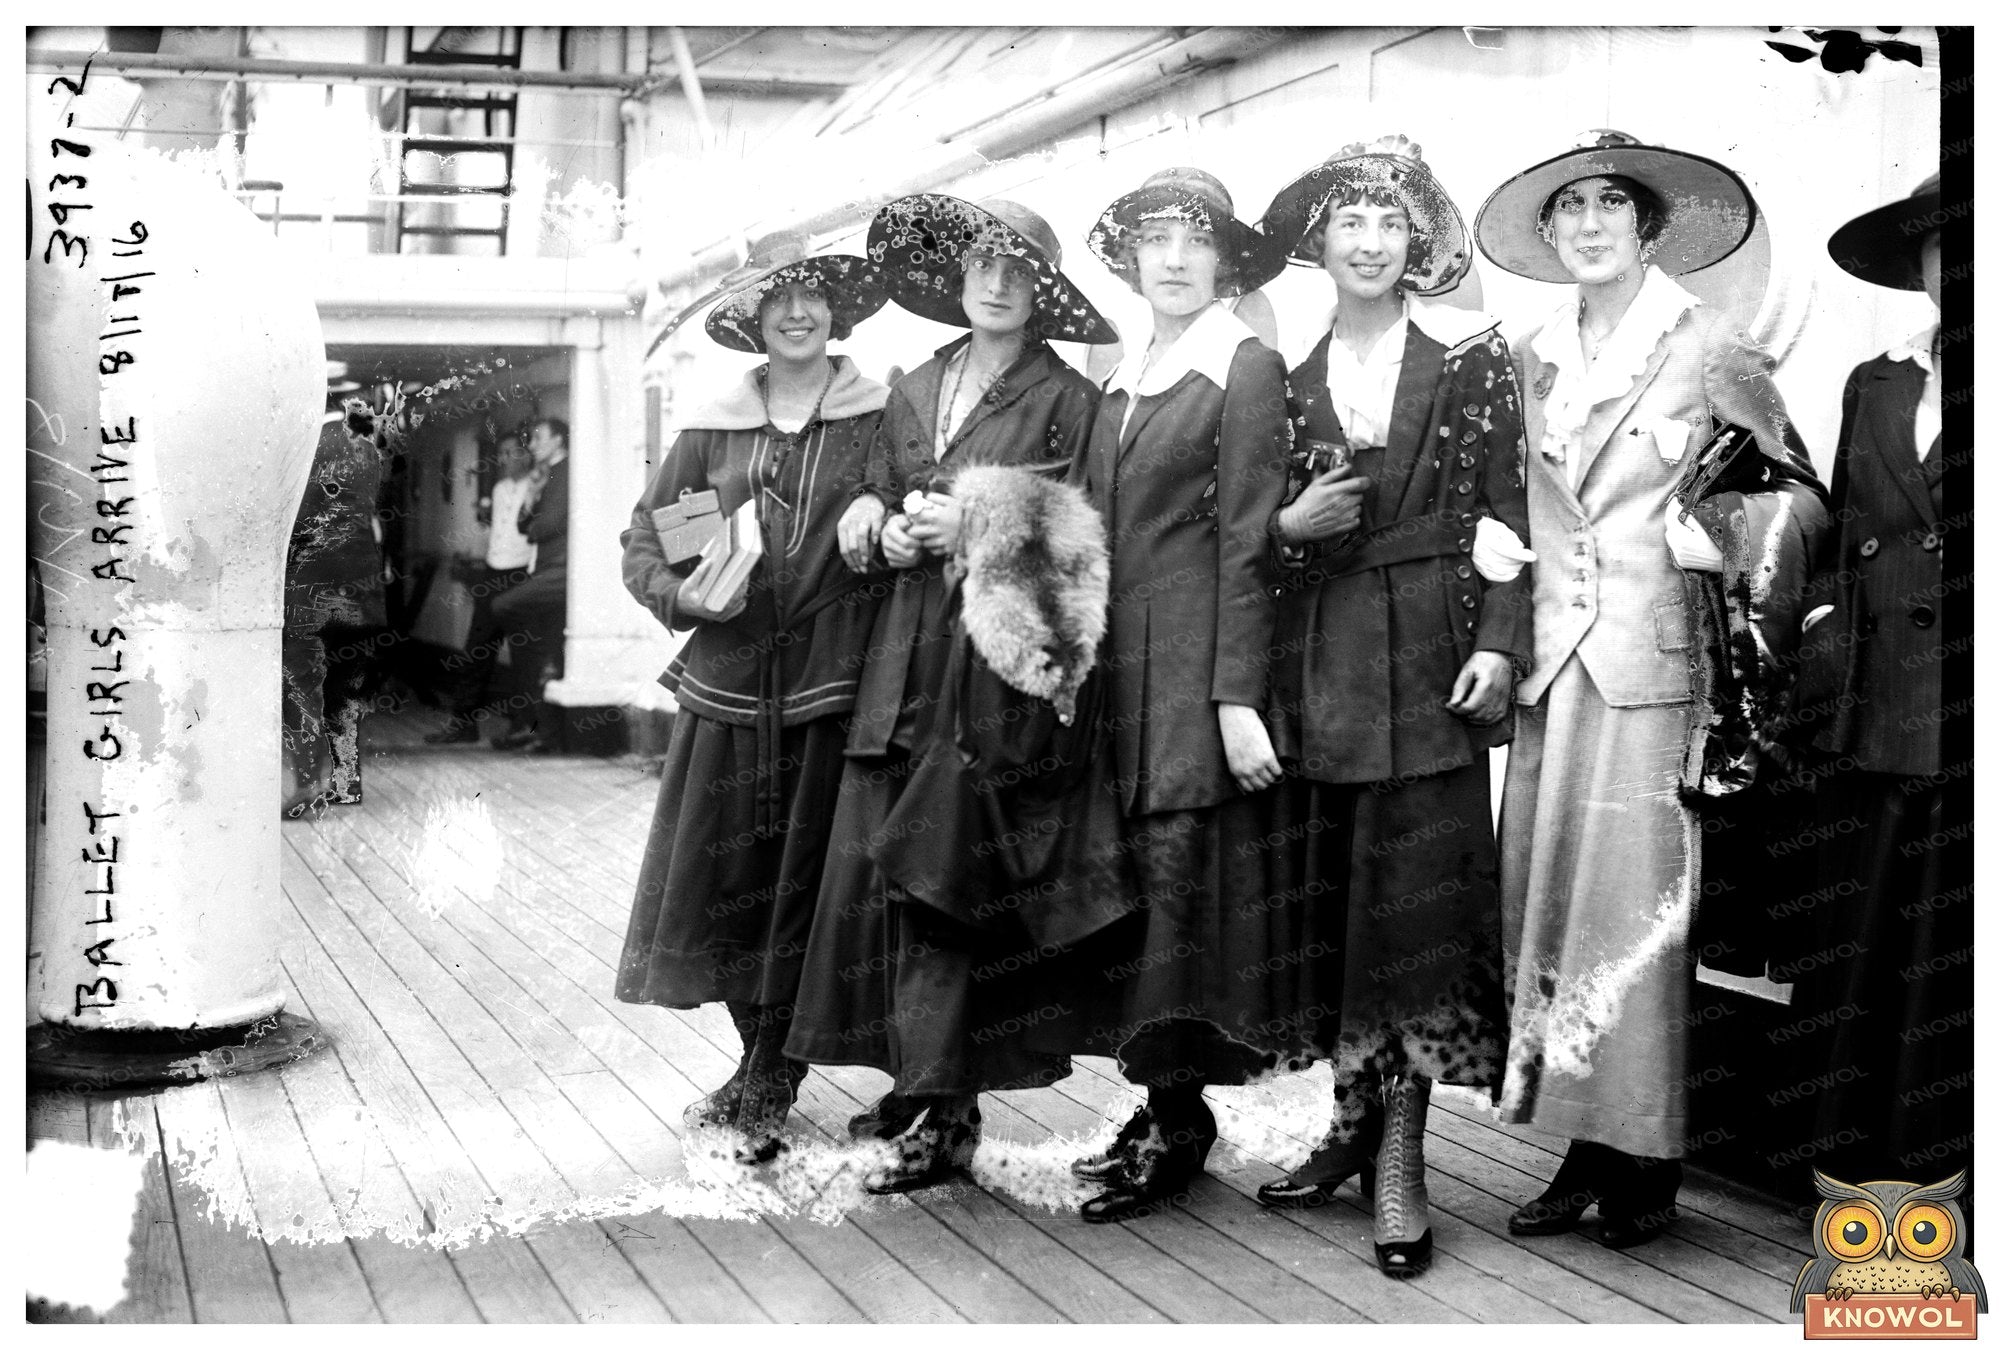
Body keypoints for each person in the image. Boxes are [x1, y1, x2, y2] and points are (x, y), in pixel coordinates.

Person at [1473, 131, 1826, 1246]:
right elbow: (1504, 492)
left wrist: (1721, 533)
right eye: (1569, 207)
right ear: (1549, 232)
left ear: (1648, 228)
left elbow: (1802, 497)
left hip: (1654, 674)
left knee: (1633, 918)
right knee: (1552, 913)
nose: (1588, 225)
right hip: (1551, 669)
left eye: (1610, 206)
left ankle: (1647, 1163)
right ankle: (1582, 1146)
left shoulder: (1709, 345)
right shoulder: (1525, 356)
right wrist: (1486, 545)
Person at [783, 195, 1116, 1193]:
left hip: (986, 673)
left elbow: (1081, 539)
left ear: (1043, 291)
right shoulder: (917, 383)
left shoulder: (1068, 399)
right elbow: (882, 485)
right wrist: (873, 518)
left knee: (949, 882)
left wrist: (973, 523)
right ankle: (917, 1082)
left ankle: (946, 1111)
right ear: (957, 278)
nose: (996, 283)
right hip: (901, 662)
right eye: (980, 264)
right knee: (891, 877)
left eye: (1017, 268)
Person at [1254, 136, 1531, 1278]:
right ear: (1317, 244)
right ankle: (1349, 1125)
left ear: (1415, 243)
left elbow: (1512, 512)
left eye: (1388, 223)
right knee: (1333, 903)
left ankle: (1403, 1159)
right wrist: (1289, 531)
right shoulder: (1281, 378)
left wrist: (1501, 643)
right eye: (1348, 222)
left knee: (1415, 910)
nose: (1368, 242)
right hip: (1315, 666)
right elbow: (1252, 540)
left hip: (1430, 660)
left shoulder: (1471, 357)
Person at [1058, 167, 1303, 1224]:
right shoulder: (1128, 371)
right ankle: (1161, 1102)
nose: (1171, 258)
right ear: (1129, 259)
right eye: (1153, 239)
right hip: (1122, 671)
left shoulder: (1243, 364)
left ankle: (1178, 1120)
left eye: (1193, 240)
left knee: (1177, 891)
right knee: (1137, 887)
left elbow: (1250, 541)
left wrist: (1234, 696)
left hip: (1193, 673)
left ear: (1224, 262)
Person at [614, 232, 891, 1163]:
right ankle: (757, 1060)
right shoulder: (718, 428)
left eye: (813, 295)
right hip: (729, 688)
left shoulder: (879, 418)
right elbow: (652, 543)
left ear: (837, 312)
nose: (798, 312)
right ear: (753, 317)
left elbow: (913, 510)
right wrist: (689, 595)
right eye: (779, 298)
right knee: (728, 886)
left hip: (837, 688)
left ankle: (775, 1071)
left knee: (814, 889)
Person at [1779, 173, 1965, 1185]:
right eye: (1942, 244)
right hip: (1871, 708)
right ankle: (1846, 1174)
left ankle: (1938, 1181)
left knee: (1949, 959)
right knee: (1860, 943)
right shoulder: (1876, 382)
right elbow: (1844, 526)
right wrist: (1819, 629)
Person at [281, 398, 390, 817]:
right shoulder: (366, 452)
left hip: (310, 590)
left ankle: (308, 783)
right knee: (346, 690)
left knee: (303, 687)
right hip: (360, 590)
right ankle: (345, 781)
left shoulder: (301, 448)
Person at [426, 432, 535, 745]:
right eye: (501, 453)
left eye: (512, 452)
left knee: (522, 651)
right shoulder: (499, 489)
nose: (504, 459)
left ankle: (523, 726)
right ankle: (463, 724)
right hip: (493, 572)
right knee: (477, 648)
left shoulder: (537, 485)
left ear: (526, 455)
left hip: (521, 575)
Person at [489, 417, 571, 751]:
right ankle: (546, 735)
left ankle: (541, 729)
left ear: (558, 440)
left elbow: (547, 525)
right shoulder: (545, 475)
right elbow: (524, 526)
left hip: (559, 569)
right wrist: (531, 499)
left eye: (539, 438)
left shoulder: (565, 472)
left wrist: (534, 519)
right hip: (545, 568)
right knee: (550, 651)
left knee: (503, 605)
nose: (532, 445)